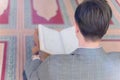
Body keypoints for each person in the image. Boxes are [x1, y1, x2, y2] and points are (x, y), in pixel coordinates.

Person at [24, 0, 120, 80]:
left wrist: (35, 56)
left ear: (76, 28)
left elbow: (32, 76)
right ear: (106, 29)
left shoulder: (52, 63)